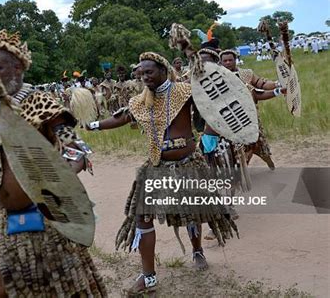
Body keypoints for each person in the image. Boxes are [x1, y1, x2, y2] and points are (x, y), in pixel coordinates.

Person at [0, 27, 107, 296]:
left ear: (17, 68)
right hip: (5, 219)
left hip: (46, 216)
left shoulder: (42, 104)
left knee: (60, 287)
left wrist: (58, 190)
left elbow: (77, 150)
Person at [87, 52, 236, 296]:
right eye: (141, 73)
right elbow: (123, 118)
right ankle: (149, 277)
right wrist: (92, 125)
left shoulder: (184, 91)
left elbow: (211, 109)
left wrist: (210, 133)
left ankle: (197, 251)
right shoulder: (140, 101)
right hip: (157, 167)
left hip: (188, 164)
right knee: (142, 218)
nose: (144, 77)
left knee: (192, 213)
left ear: (164, 71)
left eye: (149, 72)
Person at [220, 49, 286, 169]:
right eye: (225, 61)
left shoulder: (246, 73)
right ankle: (242, 171)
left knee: (259, 145)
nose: (228, 63)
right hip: (231, 121)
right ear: (221, 62)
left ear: (236, 60)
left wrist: (278, 84)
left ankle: (268, 162)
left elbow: (262, 84)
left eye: (230, 60)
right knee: (240, 148)